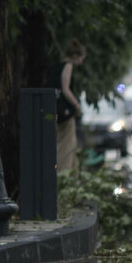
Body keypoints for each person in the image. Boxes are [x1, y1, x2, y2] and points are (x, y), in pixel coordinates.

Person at [52, 38, 86, 172]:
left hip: (55, 110)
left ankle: (70, 175)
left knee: (64, 144)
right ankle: (65, 175)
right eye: (82, 58)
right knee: (67, 147)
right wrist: (77, 105)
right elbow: (65, 89)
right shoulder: (68, 66)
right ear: (76, 56)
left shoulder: (56, 67)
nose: (82, 62)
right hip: (65, 112)